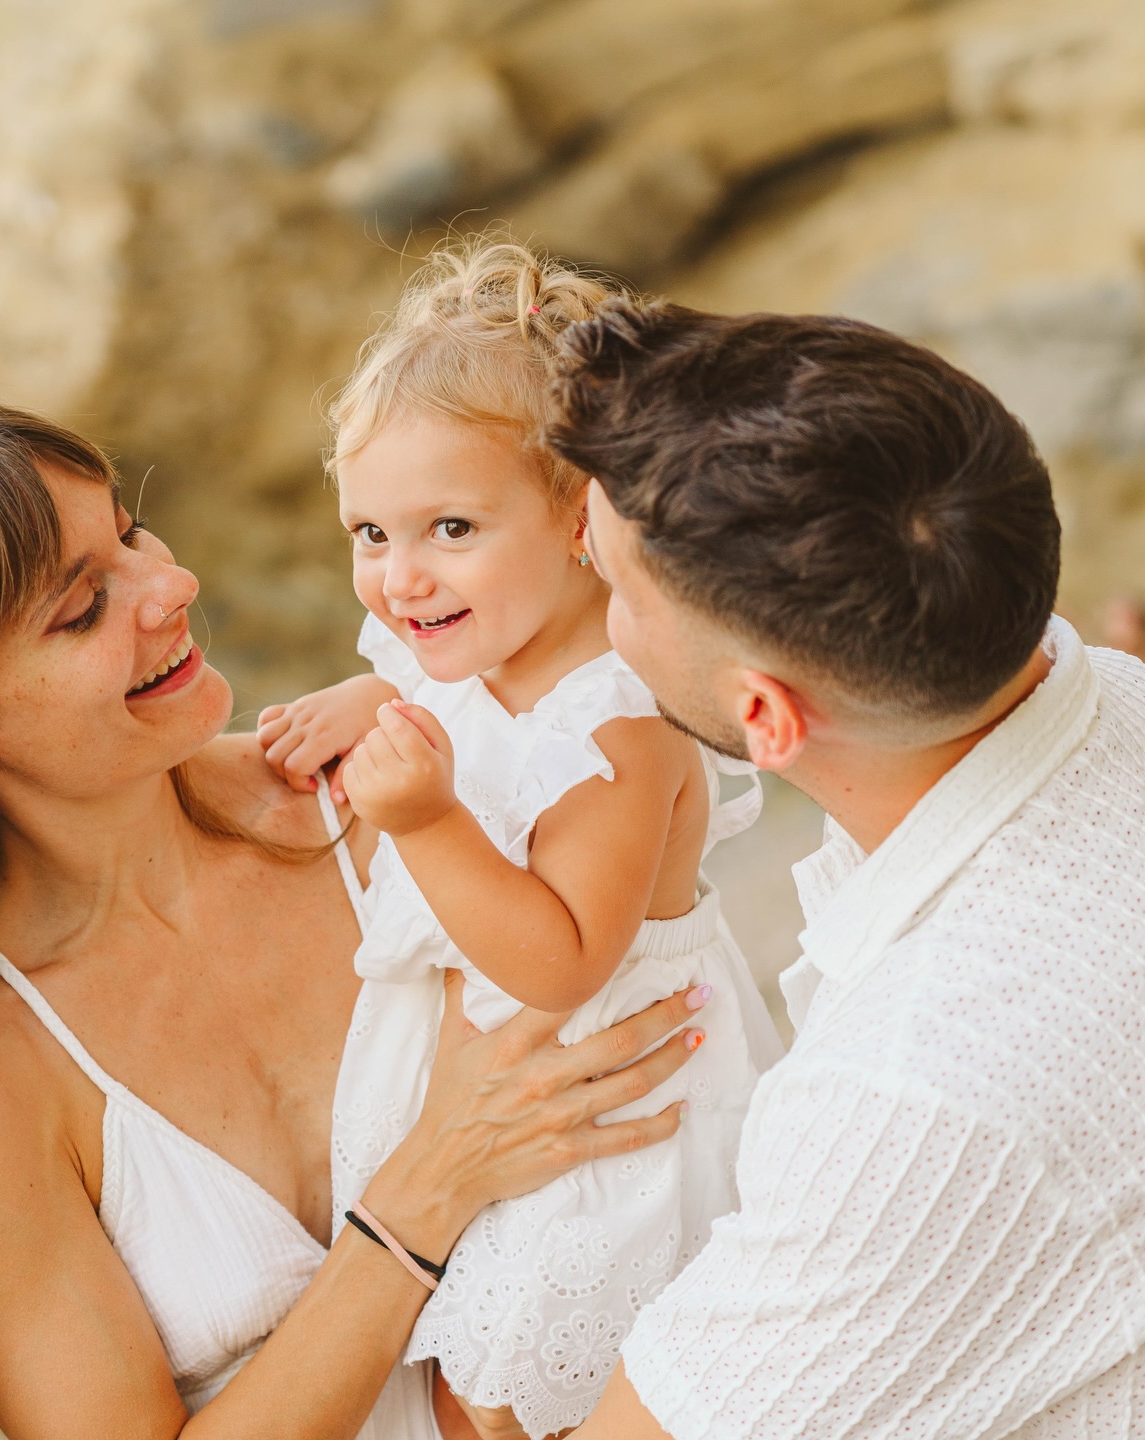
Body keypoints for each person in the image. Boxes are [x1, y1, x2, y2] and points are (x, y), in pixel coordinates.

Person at [0, 401, 707, 1440]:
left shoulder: (393, 801)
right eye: (83, 607)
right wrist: (426, 1189)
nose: (171, 586)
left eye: (131, 532)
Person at [543, 301, 1145, 1438]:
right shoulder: (1120, 702)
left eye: (616, 589)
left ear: (765, 717)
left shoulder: (913, 1101)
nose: (591, 599)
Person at [257, 240, 781, 1438]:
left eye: (448, 527)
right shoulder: (475, 649)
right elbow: (435, 694)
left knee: (517, 1398)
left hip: (600, 1132)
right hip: (503, 1113)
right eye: (369, 534)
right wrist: (377, 709)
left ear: (581, 520)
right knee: (460, 1389)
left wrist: (427, 822)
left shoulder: (619, 730)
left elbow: (558, 960)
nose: (399, 580)